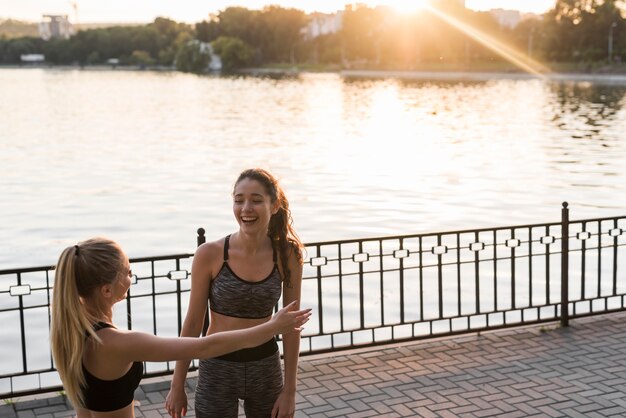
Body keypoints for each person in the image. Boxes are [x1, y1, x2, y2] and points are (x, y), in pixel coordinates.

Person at [50, 237, 310, 418]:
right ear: (107, 290)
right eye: (128, 273)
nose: (131, 278)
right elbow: (206, 345)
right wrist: (272, 327)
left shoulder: (69, 334)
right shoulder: (116, 343)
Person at [166, 168, 305, 418]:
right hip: (217, 366)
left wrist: (290, 390)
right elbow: (194, 322)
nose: (246, 208)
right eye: (239, 200)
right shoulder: (209, 254)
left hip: (265, 367)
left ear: (274, 206)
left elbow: (291, 325)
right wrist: (177, 384)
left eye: (256, 200)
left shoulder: (288, 255)